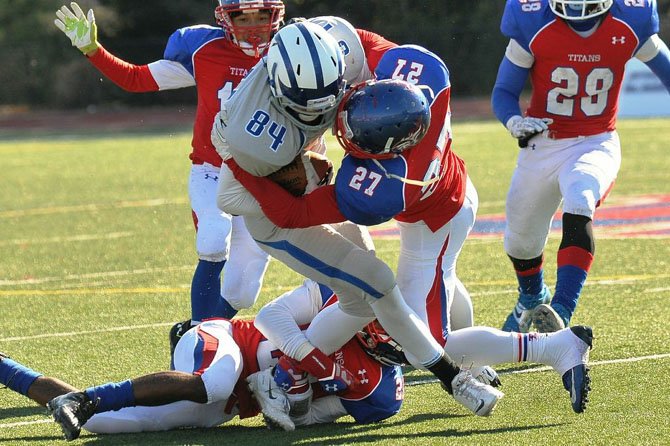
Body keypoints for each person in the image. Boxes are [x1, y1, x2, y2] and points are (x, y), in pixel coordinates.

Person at [226, 45, 593, 415]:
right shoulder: (426, 79)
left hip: (434, 223)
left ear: (381, 150)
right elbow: (361, 39)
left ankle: (554, 347)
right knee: (442, 279)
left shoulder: (386, 185)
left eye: (353, 132)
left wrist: (233, 160)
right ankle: (482, 358)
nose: (343, 128)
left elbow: (291, 213)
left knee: (428, 341)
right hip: (453, 193)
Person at [213, 21, 504, 418]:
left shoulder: (337, 45)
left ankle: (285, 372)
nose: (332, 115)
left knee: (366, 299)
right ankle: (452, 378)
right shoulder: (256, 136)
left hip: (307, 183)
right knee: (378, 285)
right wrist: (233, 155)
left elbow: (369, 49)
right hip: (269, 210)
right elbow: (259, 205)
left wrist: (313, 168)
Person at [53, 1, 280, 342]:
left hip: (263, 178)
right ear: (225, 18)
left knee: (243, 292)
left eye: (260, 16)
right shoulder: (203, 50)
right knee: (213, 239)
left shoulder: (288, 54)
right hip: (212, 171)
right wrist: (92, 50)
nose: (252, 25)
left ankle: (195, 334)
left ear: (275, 15)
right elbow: (136, 79)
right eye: (242, 17)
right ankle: (200, 342)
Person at [0, 280, 405, 441]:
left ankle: (8, 369)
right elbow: (272, 317)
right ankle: (87, 398)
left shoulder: (382, 393)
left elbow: (308, 416)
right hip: (226, 340)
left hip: (233, 404)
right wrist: (309, 361)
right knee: (212, 382)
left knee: (102, 426)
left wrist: (292, 397)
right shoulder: (343, 301)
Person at [491, 0, 670, 333]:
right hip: (542, 140)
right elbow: (504, 91)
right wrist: (513, 120)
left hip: (595, 140)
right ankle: (531, 297)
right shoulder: (532, 19)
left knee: (580, 195)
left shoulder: (632, 19)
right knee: (520, 242)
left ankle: (561, 309)